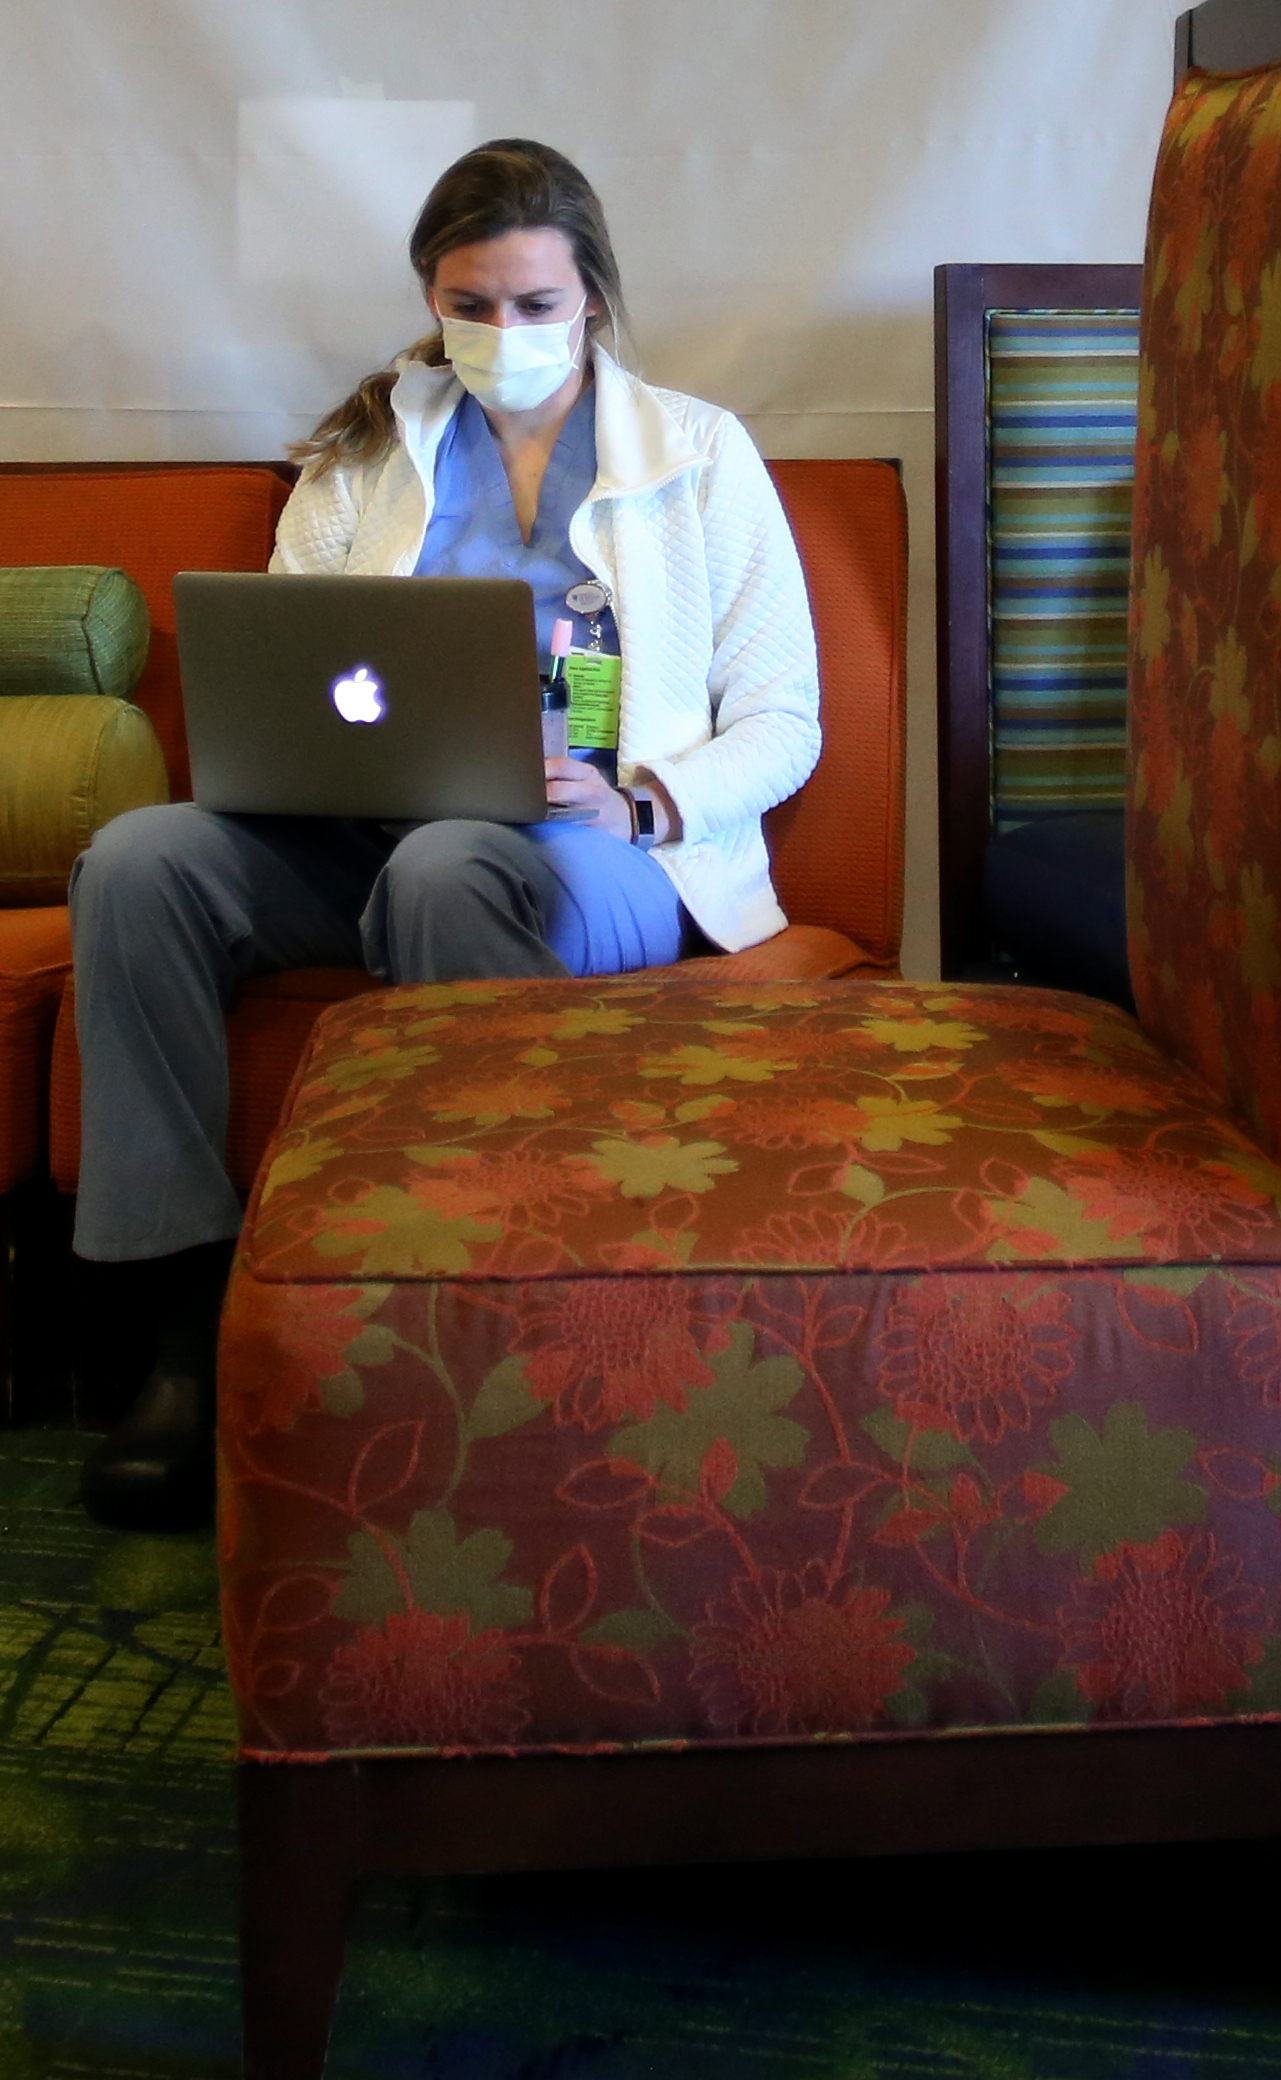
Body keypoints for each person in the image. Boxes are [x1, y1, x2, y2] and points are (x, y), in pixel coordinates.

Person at [64, 138, 821, 1526]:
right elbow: (298, 671)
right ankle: (180, 1346)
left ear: (591, 296)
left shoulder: (701, 457)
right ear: (431, 295)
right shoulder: (364, 454)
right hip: (370, 827)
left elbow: (787, 722)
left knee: (450, 860)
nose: (502, 334)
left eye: (534, 305)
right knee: (138, 862)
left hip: (603, 855)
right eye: (471, 305)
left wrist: (639, 791)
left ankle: (466, 1344)